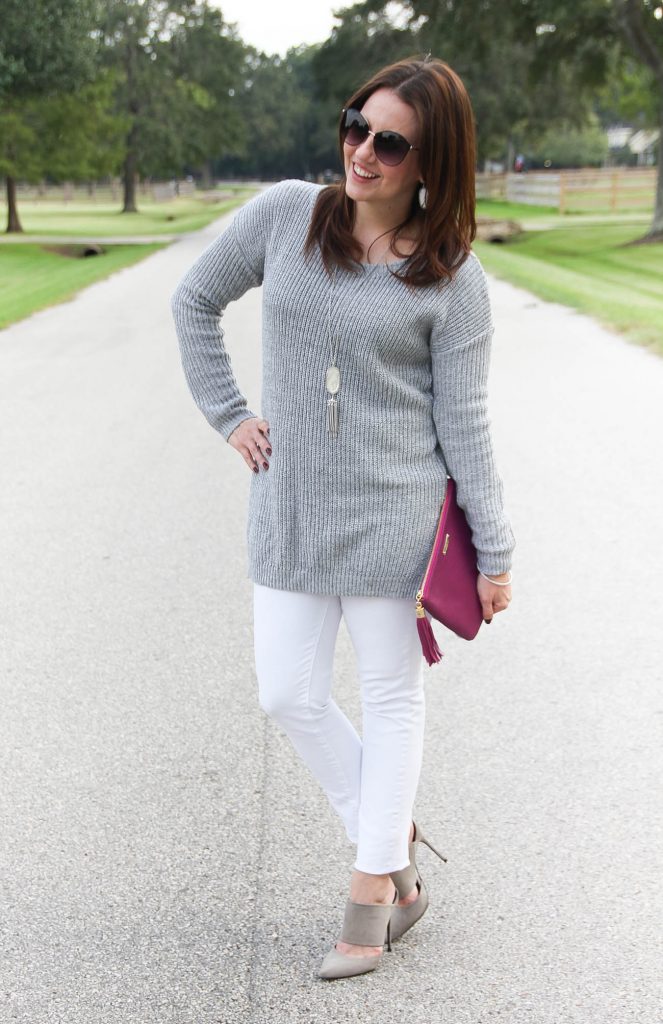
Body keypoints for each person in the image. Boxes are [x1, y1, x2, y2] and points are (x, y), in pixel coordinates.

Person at [170, 54, 515, 981]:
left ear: (429, 158)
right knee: (286, 691)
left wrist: (494, 545)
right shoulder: (289, 215)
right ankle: (397, 854)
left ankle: (369, 894)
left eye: (389, 140)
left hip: (397, 521)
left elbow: (465, 421)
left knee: (393, 697)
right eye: (354, 126)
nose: (362, 151)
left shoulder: (451, 277)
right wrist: (230, 413)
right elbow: (194, 298)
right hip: (288, 511)